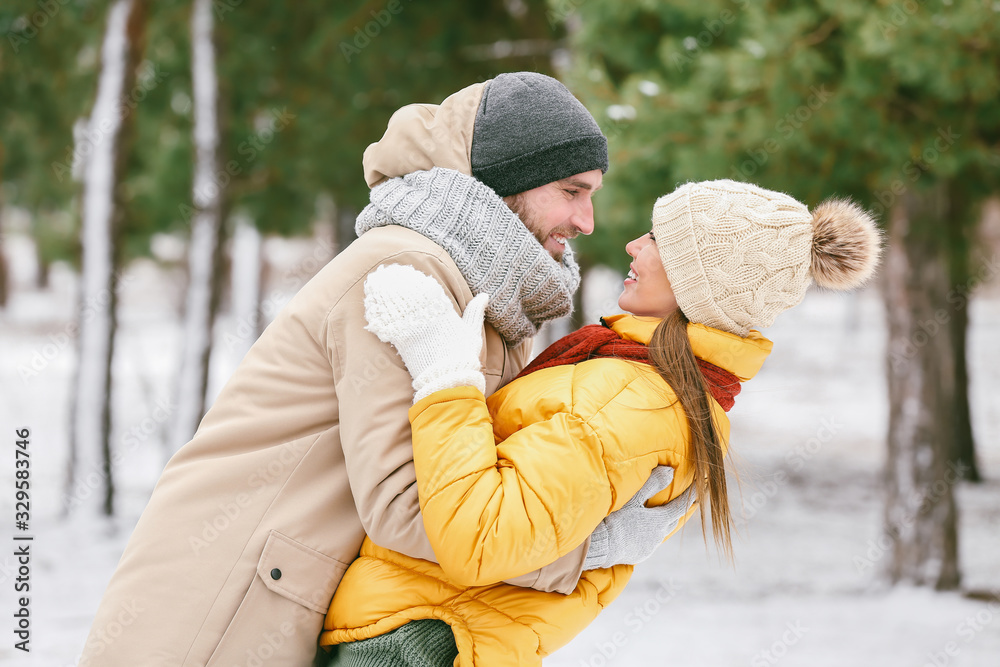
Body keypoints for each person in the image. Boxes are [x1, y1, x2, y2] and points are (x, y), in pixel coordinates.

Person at [78, 72, 683, 666]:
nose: (587, 223)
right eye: (571, 191)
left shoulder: (485, 290)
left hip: (280, 590)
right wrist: (588, 551)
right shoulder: (406, 275)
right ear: (507, 181)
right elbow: (411, 509)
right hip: (220, 605)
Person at [318, 180, 882, 666]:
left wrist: (446, 374)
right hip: (442, 628)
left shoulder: (631, 399)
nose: (634, 246)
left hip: (423, 636)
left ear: (698, 282)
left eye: (659, 239)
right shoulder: (661, 383)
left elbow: (482, 537)